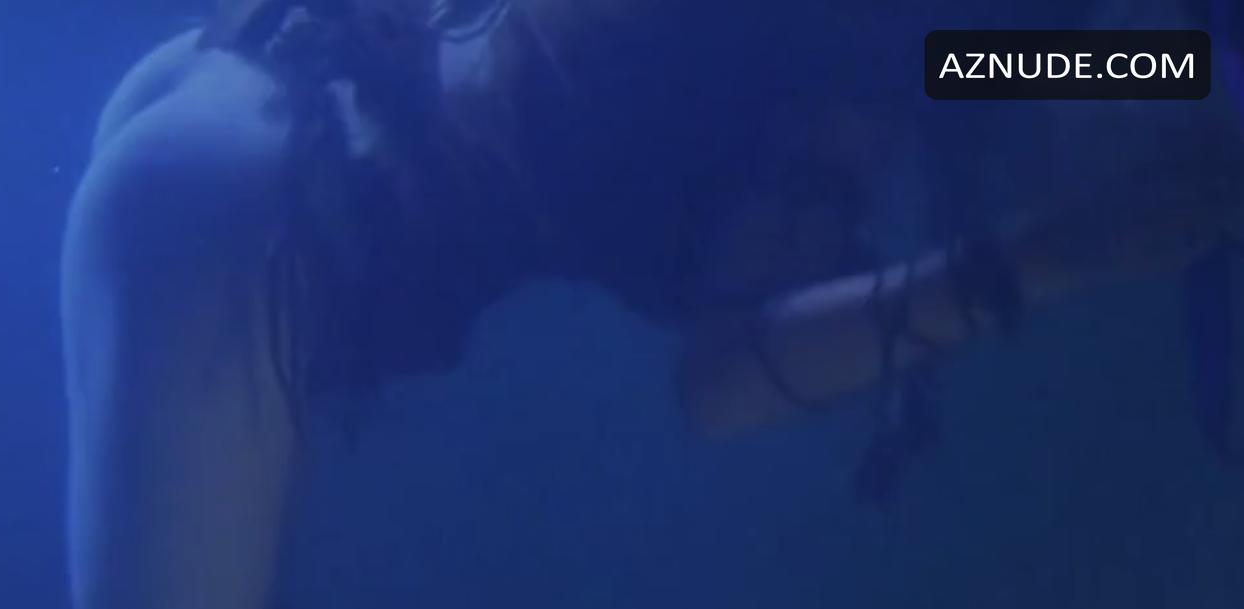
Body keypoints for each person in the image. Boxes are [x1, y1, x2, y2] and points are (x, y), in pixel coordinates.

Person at [61, 0, 1244, 607]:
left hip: (245, 112)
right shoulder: (922, 47)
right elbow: (719, 385)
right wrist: (1056, 255)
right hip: (252, 211)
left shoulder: (929, 53)